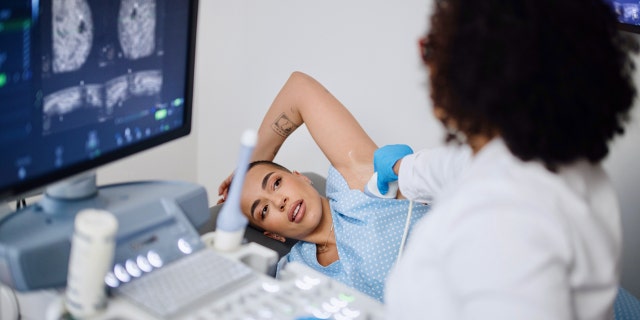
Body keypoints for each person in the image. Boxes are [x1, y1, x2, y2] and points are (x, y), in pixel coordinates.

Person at [372, 0, 639, 319]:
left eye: (431, 48)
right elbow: (457, 167)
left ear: (470, 71)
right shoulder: (564, 163)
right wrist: (403, 169)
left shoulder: (503, 220)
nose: (426, 62)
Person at [216, 71, 431, 302]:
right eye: (264, 211)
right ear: (273, 235)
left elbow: (299, 89)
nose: (279, 202)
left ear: (301, 177)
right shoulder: (295, 272)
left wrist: (249, 163)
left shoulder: (355, 185)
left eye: (276, 183)